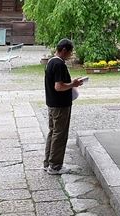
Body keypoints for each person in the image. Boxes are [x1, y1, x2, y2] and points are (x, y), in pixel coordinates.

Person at [44, 38, 85, 174]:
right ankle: (55, 165)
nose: (70, 55)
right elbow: (59, 86)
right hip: (60, 105)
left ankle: (48, 162)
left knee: (53, 132)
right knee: (60, 134)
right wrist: (73, 84)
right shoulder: (59, 64)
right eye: (70, 52)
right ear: (64, 50)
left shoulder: (50, 61)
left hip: (52, 103)